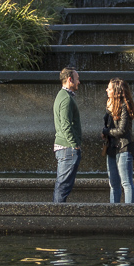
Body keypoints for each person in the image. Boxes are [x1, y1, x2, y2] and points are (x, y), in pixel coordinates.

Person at [102, 78, 134, 203]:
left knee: (126, 183)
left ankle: (128, 213)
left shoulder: (124, 107)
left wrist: (106, 132)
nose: (107, 90)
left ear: (116, 91)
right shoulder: (110, 106)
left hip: (124, 147)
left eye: (109, 89)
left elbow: (122, 131)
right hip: (111, 148)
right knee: (113, 184)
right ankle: (113, 213)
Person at [53, 67, 82, 203]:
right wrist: (74, 144)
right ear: (70, 79)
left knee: (62, 185)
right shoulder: (66, 99)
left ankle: (56, 215)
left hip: (64, 147)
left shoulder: (62, 95)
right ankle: (56, 217)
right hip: (67, 148)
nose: (79, 82)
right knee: (63, 187)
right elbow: (65, 124)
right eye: (77, 79)